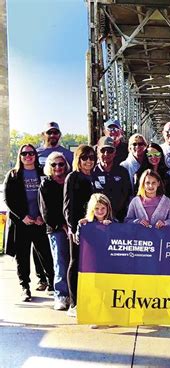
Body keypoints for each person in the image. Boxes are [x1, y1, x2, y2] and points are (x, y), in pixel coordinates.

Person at [3, 144, 55, 302]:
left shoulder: (43, 172)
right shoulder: (13, 175)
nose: (28, 156)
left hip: (39, 221)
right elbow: (8, 199)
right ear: (20, 156)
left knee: (46, 253)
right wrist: (22, 216)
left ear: (35, 155)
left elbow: (50, 196)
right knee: (22, 256)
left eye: (31, 153)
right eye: (24, 153)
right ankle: (25, 287)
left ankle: (52, 283)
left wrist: (42, 216)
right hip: (22, 223)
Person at [35, 121, 73, 289]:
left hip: (63, 210)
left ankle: (63, 288)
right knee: (43, 248)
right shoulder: (36, 153)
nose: (52, 135)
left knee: (64, 256)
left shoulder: (67, 154)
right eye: (49, 132)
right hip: (43, 204)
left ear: (59, 134)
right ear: (44, 134)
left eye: (55, 132)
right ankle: (43, 279)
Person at [63, 145, 97, 317]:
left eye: (91, 157)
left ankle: (90, 300)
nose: (89, 161)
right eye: (85, 158)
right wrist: (72, 227)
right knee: (75, 262)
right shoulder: (73, 177)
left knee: (92, 264)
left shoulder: (95, 177)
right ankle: (74, 303)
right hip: (78, 227)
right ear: (78, 159)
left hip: (95, 227)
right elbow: (68, 206)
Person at [38, 152, 71, 310]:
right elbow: (46, 213)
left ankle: (73, 295)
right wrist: (61, 225)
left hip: (73, 227)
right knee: (60, 262)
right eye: (54, 164)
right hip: (56, 229)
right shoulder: (46, 184)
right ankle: (61, 295)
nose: (58, 167)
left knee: (74, 261)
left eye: (61, 164)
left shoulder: (71, 181)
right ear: (49, 167)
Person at [92, 136, 132, 222]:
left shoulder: (122, 172)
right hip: (98, 220)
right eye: (103, 150)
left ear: (115, 153)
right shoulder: (92, 172)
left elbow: (127, 195)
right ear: (98, 152)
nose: (106, 154)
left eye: (110, 150)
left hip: (120, 219)